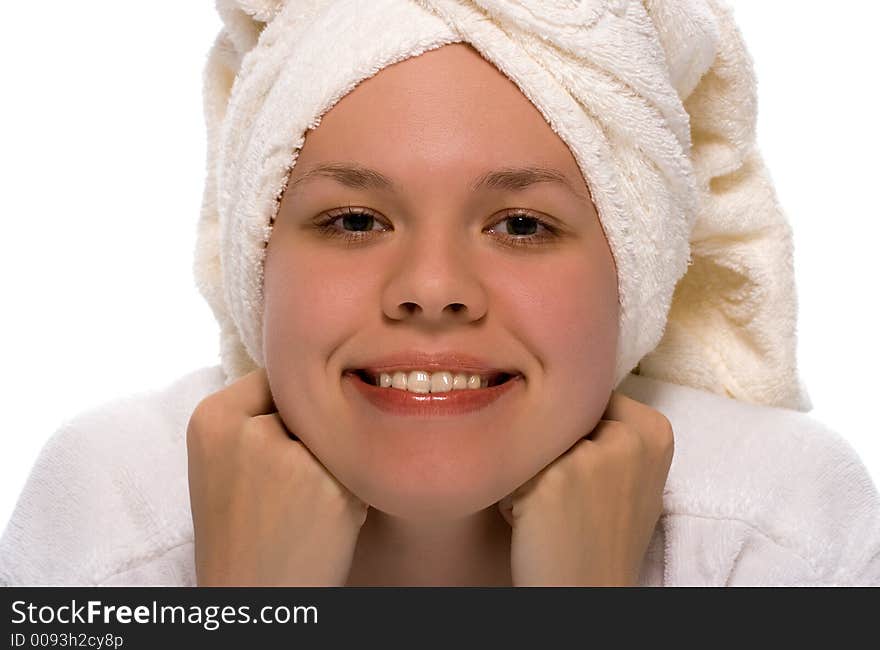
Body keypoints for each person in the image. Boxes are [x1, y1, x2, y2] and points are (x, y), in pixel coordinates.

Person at [2, 0, 879, 586]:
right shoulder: (113, 513)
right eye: (353, 220)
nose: (431, 289)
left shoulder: (781, 530)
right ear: (255, 261)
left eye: (522, 225)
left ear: (637, 273)